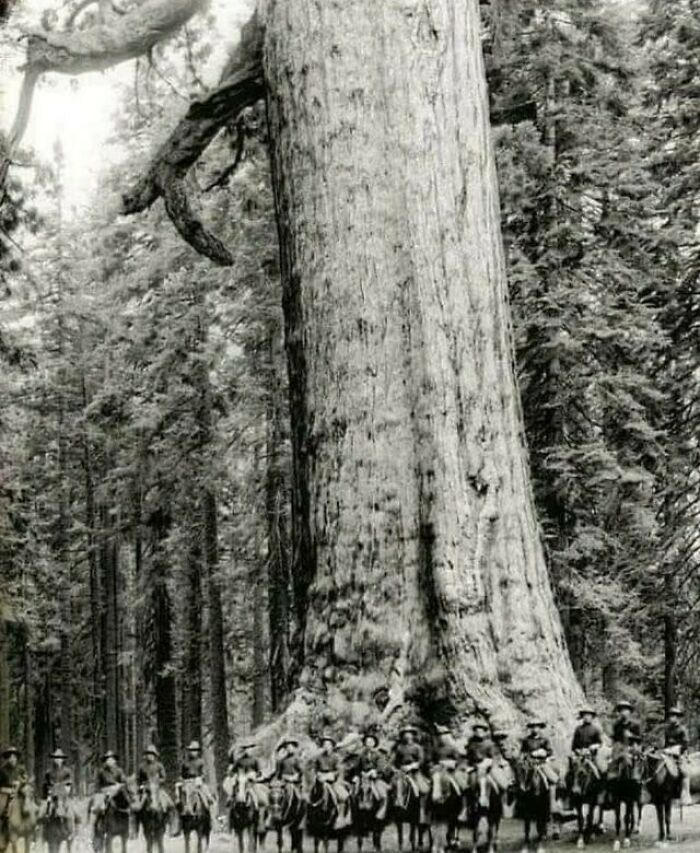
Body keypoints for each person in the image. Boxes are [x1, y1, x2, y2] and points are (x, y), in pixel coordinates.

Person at [313, 735, 351, 828]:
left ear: (332, 746)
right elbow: (315, 769)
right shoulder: (318, 757)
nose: (326, 746)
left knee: (343, 796)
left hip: (333, 780)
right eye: (324, 744)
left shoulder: (336, 757)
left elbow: (339, 769)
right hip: (321, 779)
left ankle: (341, 817)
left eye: (328, 744)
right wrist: (319, 775)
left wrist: (332, 775)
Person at [350, 731, 389, 820]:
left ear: (374, 743)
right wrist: (358, 774)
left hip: (375, 777)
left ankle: (381, 812)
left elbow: (381, 766)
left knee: (382, 794)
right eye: (367, 742)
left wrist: (374, 771)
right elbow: (357, 767)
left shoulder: (379, 754)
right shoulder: (361, 755)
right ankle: (355, 814)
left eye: (371, 742)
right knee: (353, 793)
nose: (369, 744)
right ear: (365, 744)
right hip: (363, 777)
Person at [520, 721, 558, 813]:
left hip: (541, 763)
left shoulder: (544, 740)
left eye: (537, 727)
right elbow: (523, 752)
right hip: (529, 763)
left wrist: (543, 752)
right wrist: (528, 755)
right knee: (522, 776)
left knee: (553, 779)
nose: (535, 729)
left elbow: (550, 752)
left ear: (540, 728)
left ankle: (553, 803)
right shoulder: (526, 740)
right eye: (533, 727)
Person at [226, 741, 269, 811]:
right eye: (245, 749)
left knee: (259, 791)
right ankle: (235, 800)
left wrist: (257, 774)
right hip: (242, 779)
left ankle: (260, 805)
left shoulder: (254, 760)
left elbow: (259, 771)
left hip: (252, 780)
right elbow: (232, 772)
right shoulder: (239, 761)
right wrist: (232, 774)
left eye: (249, 748)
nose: (247, 751)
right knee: (238, 788)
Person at [464, 721, 496, 810]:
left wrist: (486, 763)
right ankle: (466, 806)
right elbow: (468, 756)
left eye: (481, 731)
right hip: (473, 766)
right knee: (468, 783)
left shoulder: (489, 743)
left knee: (492, 782)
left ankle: (485, 798)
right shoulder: (471, 743)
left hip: (486, 765)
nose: (479, 733)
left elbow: (492, 757)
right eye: (477, 731)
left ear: (485, 732)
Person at [91, 750, 128, 823]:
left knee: (126, 797)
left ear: (115, 761)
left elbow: (124, 780)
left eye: (112, 759)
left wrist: (120, 785)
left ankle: (128, 810)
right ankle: (96, 823)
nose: (110, 761)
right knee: (99, 807)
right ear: (106, 761)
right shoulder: (101, 771)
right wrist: (102, 791)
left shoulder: (119, 770)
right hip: (105, 791)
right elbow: (97, 784)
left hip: (117, 790)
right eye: (108, 759)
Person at [664, 707, 691, 805]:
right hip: (668, 751)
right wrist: (666, 750)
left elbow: (686, 743)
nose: (671, 718)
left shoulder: (682, 729)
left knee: (684, 771)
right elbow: (666, 742)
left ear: (677, 718)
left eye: (674, 716)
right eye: (670, 716)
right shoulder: (667, 729)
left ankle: (686, 795)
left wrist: (676, 750)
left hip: (680, 751)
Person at [178, 741, 214, 813]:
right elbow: (182, 774)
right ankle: (182, 807)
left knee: (205, 791)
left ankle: (208, 806)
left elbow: (204, 773)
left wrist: (200, 778)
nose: (193, 752)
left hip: (198, 781)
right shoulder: (185, 763)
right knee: (182, 791)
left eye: (195, 750)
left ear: (198, 752)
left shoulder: (201, 762)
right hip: (187, 782)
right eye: (192, 750)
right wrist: (182, 779)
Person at [0, 746, 28, 834]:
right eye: (10, 757)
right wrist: (6, 789)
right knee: (4, 805)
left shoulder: (21, 769)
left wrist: (22, 782)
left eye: (14, 757)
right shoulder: (2, 770)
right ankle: (4, 824)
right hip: (6, 792)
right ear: (7, 758)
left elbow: (25, 778)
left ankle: (28, 825)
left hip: (19, 791)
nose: (12, 759)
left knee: (27, 804)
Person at [137, 745, 174, 811]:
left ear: (155, 755)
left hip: (157, 788)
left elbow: (164, 778)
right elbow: (139, 779)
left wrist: (158, 781)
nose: (150, 756)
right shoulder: (142, 766)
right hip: (146, 788)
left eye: (152, 754)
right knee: (138, 805)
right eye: (148, 754)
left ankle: (168, 816)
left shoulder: (159, 765)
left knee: (169, 802)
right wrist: (141, 785)